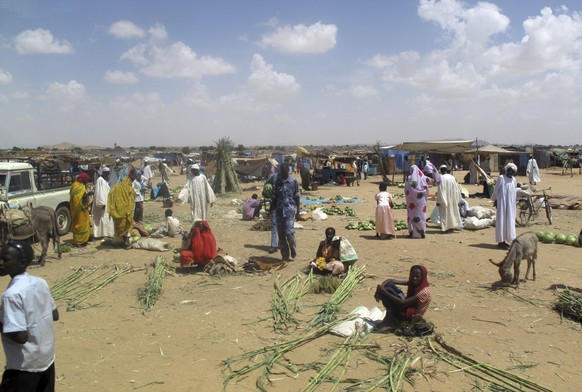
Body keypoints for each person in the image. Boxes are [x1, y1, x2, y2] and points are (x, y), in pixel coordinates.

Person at [0, 241, 59, 391]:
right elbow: (55, 314)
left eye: (5, 259)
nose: (0, 262)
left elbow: (20, 337)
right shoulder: (40, 282)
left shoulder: (11, 295)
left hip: (24, 368)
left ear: (22, 262)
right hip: (46, 361)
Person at [374, 265, 431, 331]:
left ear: (422, 277)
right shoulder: (412, 282)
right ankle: (390, 319)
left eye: (417, 277)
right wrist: (380, 289)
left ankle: (391, 323)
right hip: (407, 307)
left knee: (387, 293)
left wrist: (383, 291)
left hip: (410, 317)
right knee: (389, 286)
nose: (414, 278)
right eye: (412, 276)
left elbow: (403, 303)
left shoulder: (423, 291)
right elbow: (390, 280)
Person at [270, 164, 300, 261]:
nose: (283, 174)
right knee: (281, 235)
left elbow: (297, 196)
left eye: (285, 172)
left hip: (289, 211)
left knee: (289, 232)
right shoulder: (277, 182)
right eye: (282, 172)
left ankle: (293, 248)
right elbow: (274, 197)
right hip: (279, 211)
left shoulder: (293, 181)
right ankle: (285, 256)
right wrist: (271, 209)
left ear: (288, 171)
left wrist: (298, 211)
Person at [491, 162, 517, 249]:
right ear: (507, 170)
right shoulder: (501, 178)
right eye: (509, 170)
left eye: (512, 171)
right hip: (502, 202)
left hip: (510, 204)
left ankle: (507, 239)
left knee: (509, 220)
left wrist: (514, 203)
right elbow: (496, 189)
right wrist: (495, 199)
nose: (510, 172)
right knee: (502, 220)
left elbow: (514, 192)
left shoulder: (513, 180)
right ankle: (501, 241)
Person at [108, 168, 136, 249]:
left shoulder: (117, 187)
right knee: (128, 226)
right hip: (127, 211)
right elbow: (131, 199)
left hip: (118, 211)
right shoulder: (129, 188)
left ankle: (125, 241)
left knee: (121, 227)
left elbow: (111, 194)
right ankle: (126, 242)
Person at [436, 165, 463, 233]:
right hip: (452, 198)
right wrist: (457, 198)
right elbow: (457, 189)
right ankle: (451, 227)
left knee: (445, 214)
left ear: (441, 171)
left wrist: (440, 200)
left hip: (445, 199)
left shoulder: (441, 178)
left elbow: (441, 190)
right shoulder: (452, 177)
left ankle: (446, 228)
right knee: (452, 213)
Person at [404, 165, 429, 239]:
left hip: (411, 201)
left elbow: (407, 189)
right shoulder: (423, 177)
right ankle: (422, 232)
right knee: (420, 216)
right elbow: (426, 188)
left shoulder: (409, 178)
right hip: (421, 201)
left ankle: (412, 233)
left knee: (412, 215)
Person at [70, 172, 92, 247]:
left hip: (83, 208)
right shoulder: (75, 185)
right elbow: (76, 198)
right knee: (79, 225)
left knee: (85, 224)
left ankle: (84, 240)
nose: (87, 182)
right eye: (86, 180)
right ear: (82, 179)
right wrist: (87, 194)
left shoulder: (82, 185)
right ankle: (78, 242)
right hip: (78, 209)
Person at [92, 166, 114, 239]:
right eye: (107, 173)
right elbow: (99, 193)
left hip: (106, 203)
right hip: (102, 204)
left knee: (105, 219)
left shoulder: (104, 181)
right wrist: (101, 203)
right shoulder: (100, 180)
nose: (108, 175)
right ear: (104, 173)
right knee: (101, 219)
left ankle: (105, 234)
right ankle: (100, 234)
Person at [264, 171, 279, 254]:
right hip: (275, 205)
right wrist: (268, 192)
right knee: (274, 226)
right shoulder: (275, 177)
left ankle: (280, 244)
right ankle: (274, 245)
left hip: (284, 208)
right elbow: (267, 184)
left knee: (282, 227)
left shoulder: (291, 180)